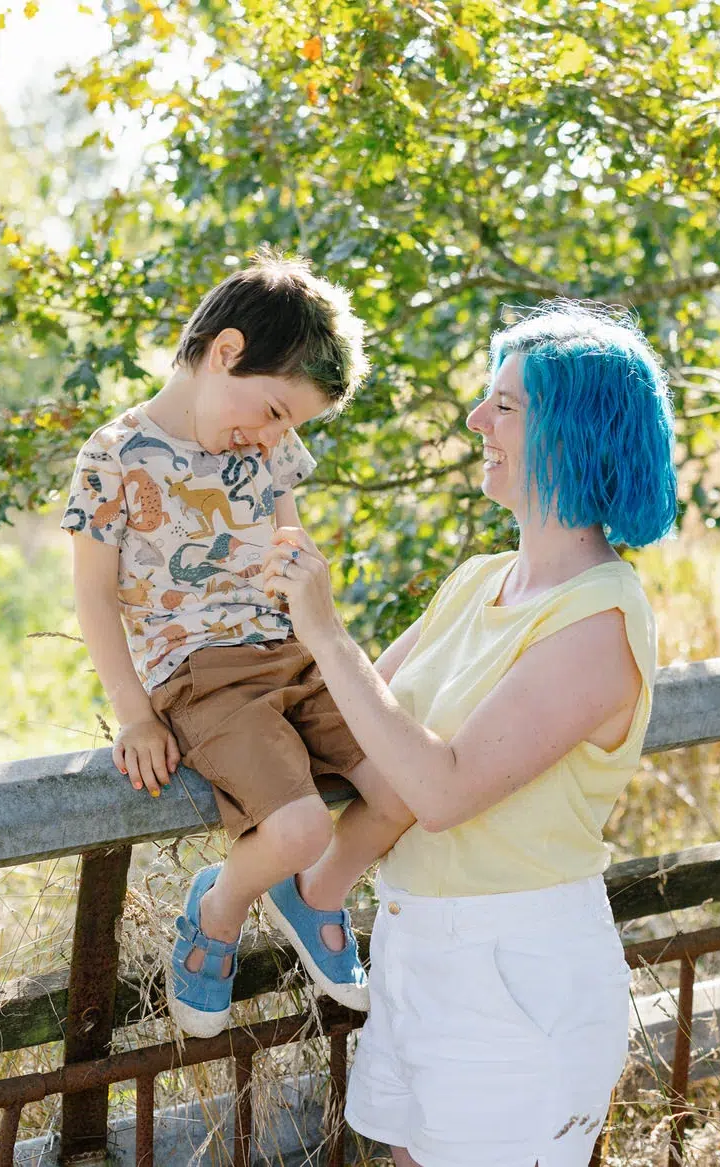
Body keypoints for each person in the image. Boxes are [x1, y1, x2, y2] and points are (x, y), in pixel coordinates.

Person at [259, 302, 675, 1167]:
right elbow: (363, 718)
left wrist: (328, 630)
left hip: (515, 966)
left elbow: (442, 790)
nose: (477, 420)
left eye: (506, 406)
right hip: (413, 941)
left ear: (574, 429)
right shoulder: (480, 579)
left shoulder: (599, 618)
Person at [62, 251, 414, 1039]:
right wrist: (135, 714)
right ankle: (217, 908)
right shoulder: (115, 456)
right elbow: (91, 595)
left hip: (296, 655)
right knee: (299, 828)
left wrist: (309, 586)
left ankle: (313, 894)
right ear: (225, 353)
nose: (271, 437)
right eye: (274, 412)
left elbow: (289, 535)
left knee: (403, 784)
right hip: (204, 679)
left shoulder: (268, 447)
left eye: (288, 425)